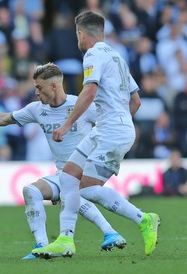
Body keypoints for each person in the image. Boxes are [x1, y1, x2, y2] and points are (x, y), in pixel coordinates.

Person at [0, 62, 126, 259]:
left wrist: (105, 155)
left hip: (86, 170)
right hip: (63, 173)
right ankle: (42, 246)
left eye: (39, 87)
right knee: (32, 191)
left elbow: (112, 124)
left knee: (70, 191)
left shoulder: (80, 105)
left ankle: (112, 231)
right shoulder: (37, 109)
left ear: (54, 86)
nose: (36, 92)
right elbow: (4, 118)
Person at [32, 10, 160, 259]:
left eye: (77, 36)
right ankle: (65, 240)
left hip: (110, 130)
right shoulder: (117, 56)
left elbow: (89, 92)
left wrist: (68, 124)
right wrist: (121, 124)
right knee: (68, 175)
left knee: (85, 189)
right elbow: (136, 101)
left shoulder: (92, 55)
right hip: (108, 127)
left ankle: (144, 219)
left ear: (81, 34)